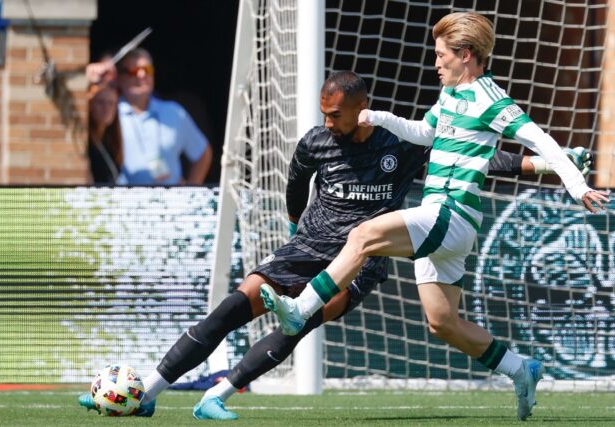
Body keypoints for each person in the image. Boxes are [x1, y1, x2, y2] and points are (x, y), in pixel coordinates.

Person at [75, 70, 591, 419]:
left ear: (363, 110)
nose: (328, 122)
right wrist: (300, 227)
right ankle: (148, 395)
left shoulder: (401, 143)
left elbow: (484, 162)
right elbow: (295, 187)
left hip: (359, 259)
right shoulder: (316, 142)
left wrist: (546, 164)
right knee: (234, 305)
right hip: (310, 244)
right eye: (323, 113)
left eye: (337, 114)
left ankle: (217, 394)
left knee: (300, 321)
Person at [261, 13, 609, 422]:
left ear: (465, 55)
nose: (436, 63)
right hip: (440, 219)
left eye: (442, 55)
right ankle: (520, 369)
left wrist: (576, 185)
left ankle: (300, 309)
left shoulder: (490, 100)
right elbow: (425, 134)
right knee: (442, 321)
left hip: (450, 213)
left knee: (363, 235)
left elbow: (542, 141)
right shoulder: (449, 95)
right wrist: (380, 118)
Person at [115, 48, 212, 185]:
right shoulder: (110, 114)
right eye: (133, 71)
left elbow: (202, 153)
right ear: (118, 78)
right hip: (126, 202)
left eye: (147, 70)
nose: (141, 75)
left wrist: (191, 189)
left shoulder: (174, 111)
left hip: (170, 201)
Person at [87, 82, 122, 184]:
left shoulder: (110, 142)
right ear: (90, 105)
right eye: (100, 102)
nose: (106, 108)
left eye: (111, 103)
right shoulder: (86, 142)